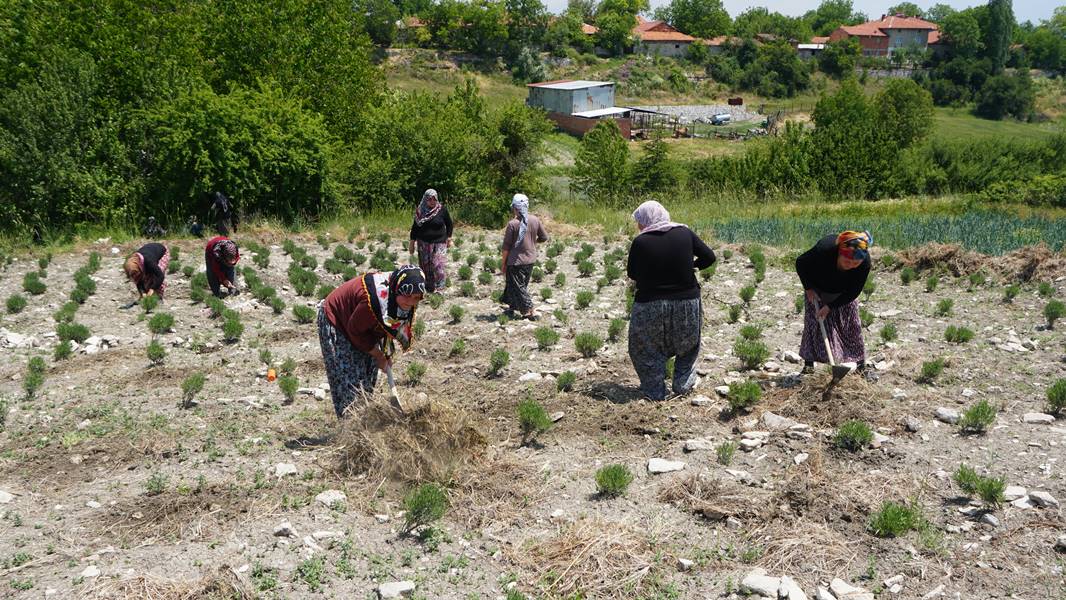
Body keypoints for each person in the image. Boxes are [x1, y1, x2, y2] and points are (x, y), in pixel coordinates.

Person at [626, 201, 715, 401]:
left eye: (640, 221)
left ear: (646, 220)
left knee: (644, 347)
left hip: (650, 304)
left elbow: (632, 273)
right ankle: (683, 384)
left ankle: (654, 390)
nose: (639, 226)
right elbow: (709, 257)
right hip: (686, 301)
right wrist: (691, 266)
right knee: (688, 344)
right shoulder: (684, 232)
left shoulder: (641, 241)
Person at [318, 265, 426, 417]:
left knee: (367, 376)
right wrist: (379, 355)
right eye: (407, 295)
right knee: (349, 381)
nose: (410, 301)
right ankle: (351, 429)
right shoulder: (373, 301)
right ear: (397, 289)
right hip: (338, 321)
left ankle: (364, 419)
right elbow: (354, 330)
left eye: (416, 297)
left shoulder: (401, 298)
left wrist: (385, 354)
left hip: (363, 324)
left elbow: (388, 326)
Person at [795, 230, 873, 376]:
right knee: (814, 325)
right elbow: (800, 263)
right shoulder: (824, 249)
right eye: (847, 261)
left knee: (852, 326)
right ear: (839, 253)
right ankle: (808, 368)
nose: (850, 265)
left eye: (855, 263)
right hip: (817, 289)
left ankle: (861, 367)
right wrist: (808, 287)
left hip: (844, 293)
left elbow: (854, 291)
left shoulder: (865, 263)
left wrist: (831, 306)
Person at [500, 193, 548, 319]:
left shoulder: (513, 224)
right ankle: (512, 307)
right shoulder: (535, 220)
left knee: (519, 287)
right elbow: (544, 237)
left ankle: (530, 310)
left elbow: (506, 247)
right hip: (530, 259)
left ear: (515, 208)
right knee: (515, 285)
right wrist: (532, 242)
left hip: (516, 261)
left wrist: (503, 263)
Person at [408, 189, 453, 293]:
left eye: (434, 199)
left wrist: (449, 238)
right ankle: (429, 287)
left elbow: (449, 224)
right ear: (425, 199)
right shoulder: (420, 212)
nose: (432, 201)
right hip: (423, 243)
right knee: (426, 266)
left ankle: (440, 288)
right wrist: (412, 243)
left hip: (440, 242)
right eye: (429, 199)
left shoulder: (442, 210)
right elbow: (415, 228)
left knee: (438, 265)